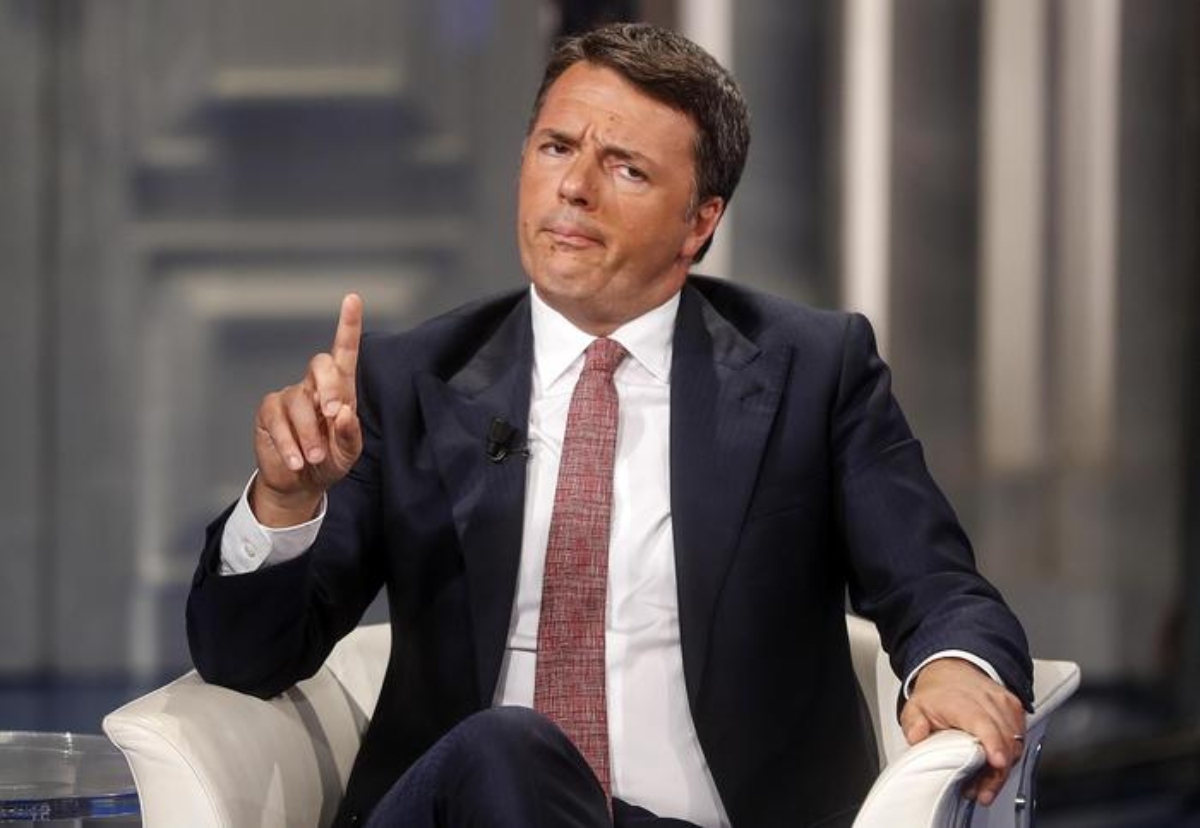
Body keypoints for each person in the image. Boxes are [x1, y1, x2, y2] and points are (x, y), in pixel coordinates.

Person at [187, 22, 1033, 828]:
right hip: (472, 808)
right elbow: (246, 660)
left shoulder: (813, 372)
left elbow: (935, 584)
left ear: (700, 221)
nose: (575, 188)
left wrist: (954, 667)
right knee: (507, 751)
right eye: (557, 148)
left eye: (625, 168)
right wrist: (286, 502)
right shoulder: (409, 382)